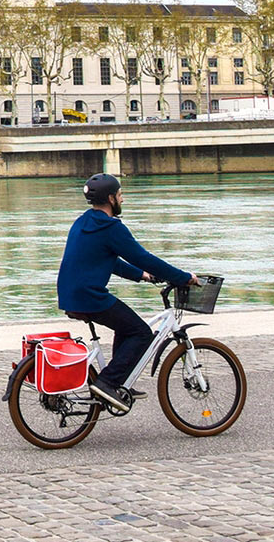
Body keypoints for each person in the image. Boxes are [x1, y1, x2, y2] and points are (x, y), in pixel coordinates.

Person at [57, 174, 199, 414]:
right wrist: (183, 277)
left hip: (72, 294)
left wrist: (141, 275)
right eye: (120, 194)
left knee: (126, 327)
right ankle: (107, 382)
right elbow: (143, 257)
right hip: (90, 296)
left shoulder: (83, 222)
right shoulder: (111, 227)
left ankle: (118, 381)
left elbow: (109, 260)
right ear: (111, 199)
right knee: (142, 333)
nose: (123, 198)